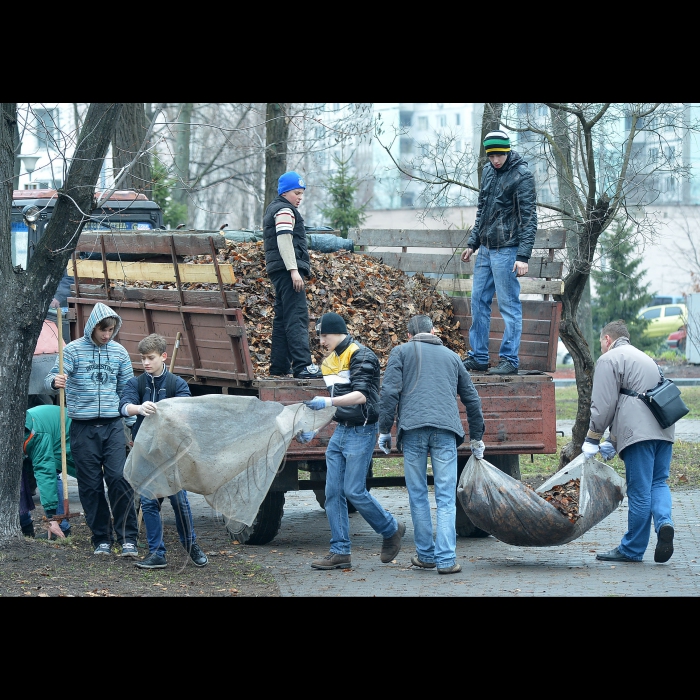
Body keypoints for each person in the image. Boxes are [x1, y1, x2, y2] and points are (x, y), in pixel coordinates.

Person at [377, 315, 485, 575]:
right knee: (446, 497)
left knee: (417, 495)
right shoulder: (452, 356)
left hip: (412, 430)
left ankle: (426, 555)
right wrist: (477, 436)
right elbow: (471, 398)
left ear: (408, 336)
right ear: (434, 331)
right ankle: (446, 560)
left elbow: (389, 392)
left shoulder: (400, 352)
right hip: (446, 431)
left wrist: (384, 430)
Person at [304, 312, 406, 570]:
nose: (321, 341)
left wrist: (327, 402)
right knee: (332, 493)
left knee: (353, 491)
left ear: (337, 332)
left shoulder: (362, 355)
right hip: (341, 430)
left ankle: (391, 528)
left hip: (362, 429)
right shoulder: (329, 363)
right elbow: (334, 405)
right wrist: (316, 428)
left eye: (324, 335)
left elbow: (361, 395)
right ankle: (340, 551)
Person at [45, 302, 140, 557]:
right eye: (102, 330)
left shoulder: (119, 353)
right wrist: (56, 381)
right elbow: (50, 379)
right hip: (82, 428)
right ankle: (101, 538)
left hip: (112, 426)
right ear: (92, 327)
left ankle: (128, 538)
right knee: (90, 485)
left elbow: (127, 392)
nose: (107, 335)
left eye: (111, 330)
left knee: (119, 479)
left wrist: (132, 428)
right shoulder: (72, 351)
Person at [582, 319, 675, 564]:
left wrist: (593, 437)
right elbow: (632, 398)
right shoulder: (646, 359)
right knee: (658, 482)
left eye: (601, 343)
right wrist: (613, 440)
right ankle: (665, 522)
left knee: (639, 491)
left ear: (607, 339)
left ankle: (632, 549)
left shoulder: (609, 359)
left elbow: (603, 405)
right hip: (665, 430)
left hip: (639, 435)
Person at [120, 333, 208, 569]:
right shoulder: (136, 383)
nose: (146, 363)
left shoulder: (177, 384)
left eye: (150, 358)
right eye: (142, 359)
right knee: (148, 503)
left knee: (180, 502)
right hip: (146, 454)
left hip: (172, 456)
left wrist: (166, 411)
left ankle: (191, 545)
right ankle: (157, 553)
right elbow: (124, 407)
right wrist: (138, 408)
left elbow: (186, 413)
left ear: (164, 357)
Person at [460, 130, 537, 376]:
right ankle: (479, 356)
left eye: (499, 155)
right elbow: (482, 209)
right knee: (478, 301)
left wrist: (523, 256)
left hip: (508, 250)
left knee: (508, 305)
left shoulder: (522, 175)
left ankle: (509, 360)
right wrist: (473, 243)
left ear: (507, 151)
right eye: (491, 155)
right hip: (485, 249)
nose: (495, 160)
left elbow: (529, 218)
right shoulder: (488, 171)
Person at [263, 171, 320, 380]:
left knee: (282, 318)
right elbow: (285, 239)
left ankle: (278, 367)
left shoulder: (275, 208)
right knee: (296, 317)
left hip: (279, 270)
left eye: (302, 194)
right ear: (285, 192)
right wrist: (294, 270)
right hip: (288, 271)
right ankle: (303, 366)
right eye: (297, 193)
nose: (300, 197)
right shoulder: (285, 210)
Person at [21, 404, 77, 540]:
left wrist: (51, 517)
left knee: (50, 472)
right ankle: (25, 525)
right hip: (46, 429)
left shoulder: (35, 434)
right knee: (21, 476)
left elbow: (46, 473)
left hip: (65, 434)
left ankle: (60, 526)